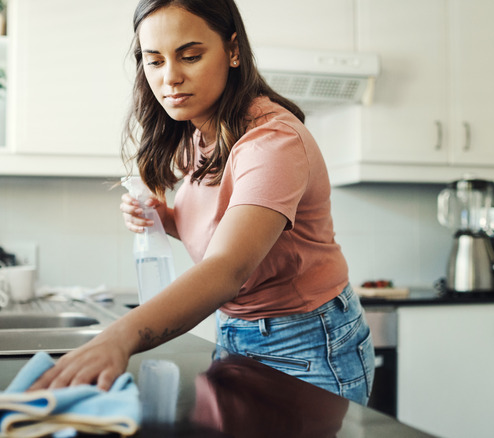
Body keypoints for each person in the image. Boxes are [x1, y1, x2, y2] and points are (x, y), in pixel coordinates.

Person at [29, 0, 375, 404]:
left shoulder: (272, 140)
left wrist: (119, 338)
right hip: (237, 329)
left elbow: (228, 267)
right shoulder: (203, 132)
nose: (170, 78)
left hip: (304, 341)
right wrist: (168, 219)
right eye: (153, 61)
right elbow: (225, 228)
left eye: (189, 56)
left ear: (232, 51)